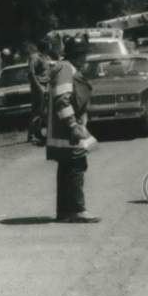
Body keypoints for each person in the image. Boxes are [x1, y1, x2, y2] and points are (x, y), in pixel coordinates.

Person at [45, 36, 99, 223]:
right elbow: (63, 100)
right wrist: (73, 125)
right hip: (67, 132)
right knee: (76, 165)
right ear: (79, 55)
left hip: (63, 131)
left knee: (68, 167)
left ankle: (65, 211)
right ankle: (77, 209)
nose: (86, 59)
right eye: (84, 55)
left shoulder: (64, 68)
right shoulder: (66, 69)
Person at [26, 40, 50, 144]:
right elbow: (31, 73)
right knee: (37, 111)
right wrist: (39, 87)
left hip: (46, 85)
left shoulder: (46, 57)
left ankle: (38, 132)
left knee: (44, 111)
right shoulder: (35, 57)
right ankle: (31, 134)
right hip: (39, 86)